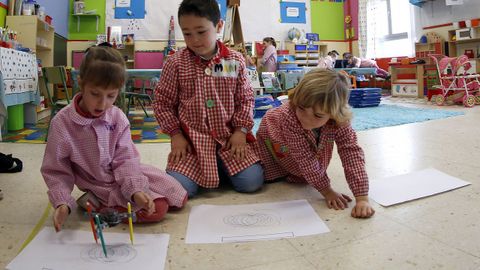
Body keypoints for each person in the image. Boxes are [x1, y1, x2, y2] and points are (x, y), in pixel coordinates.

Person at [41, 46, 188, 232]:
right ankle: (94, 201)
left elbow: (126, 159)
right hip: (98, 183)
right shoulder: (62, 123)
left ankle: (110, 197)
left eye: (111, 96)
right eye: (95, 94)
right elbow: (56, 169)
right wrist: (62, 201)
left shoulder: (117, 117)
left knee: (178, 196)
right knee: (157, 210)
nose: (103, 104)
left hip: (125, 173)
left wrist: (136, 191)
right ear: (81, 83)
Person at [153, 0, 264, 198]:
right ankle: (209, 169)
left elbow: (246, 99)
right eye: (187, 34)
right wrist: (175, 135)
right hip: (192, 145)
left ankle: (220, 167)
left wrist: (241, 131)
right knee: (178, 189)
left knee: (252, 182)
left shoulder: (234, 60)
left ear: (219, 26)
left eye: (201, 31)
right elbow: (162, 103)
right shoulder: (175, 63)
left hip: (229, 141)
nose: (194, 40)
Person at [254, 69, 375, 218]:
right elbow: (305, 160)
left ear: (335, 113)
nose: (306, 118)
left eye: (318, 115)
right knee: (273, 170)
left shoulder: (340, 120)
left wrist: (362, 198)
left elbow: (351, 153)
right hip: (272, 140)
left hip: (300, 149)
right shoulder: (288, 116)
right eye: (301, 108)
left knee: (307, 171)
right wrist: (327, 191)